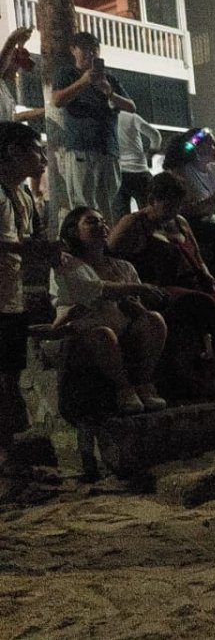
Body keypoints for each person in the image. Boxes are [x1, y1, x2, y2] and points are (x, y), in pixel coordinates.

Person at [108, 173, 215, 395]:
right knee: (203, 303)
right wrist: (133, 292)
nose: (174, 210)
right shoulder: (133, 224)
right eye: (169, 204)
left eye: (178, 204)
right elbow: (110, 258)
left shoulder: (180, 222)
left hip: (192, 283)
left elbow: (198, 259)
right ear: (152, 200)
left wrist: (212, 281)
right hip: (159, 288)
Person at [51, 207, 168, 414]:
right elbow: (94, 289)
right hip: (86, 336)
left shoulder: (123, 267)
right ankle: (124, 388)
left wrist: (135, 306)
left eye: (103, 221)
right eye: (91, 222)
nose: (101, 226)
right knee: (103, 335)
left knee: (154, 320)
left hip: (122, 331)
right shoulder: (66, 264)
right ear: (73, 231)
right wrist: (137, 288)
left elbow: (138, 308)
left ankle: (144, 383)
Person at [0, 123, 59, 477]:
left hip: (11, 299)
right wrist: (40, 250)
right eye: (35, 150)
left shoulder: (22, 196)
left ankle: (7, 456)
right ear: (11, 151)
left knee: (8, 380)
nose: (41, 158)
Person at [50, 31, 137, 230]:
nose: (91, 55)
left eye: (94, 51)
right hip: (82, 148)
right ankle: (83, 247)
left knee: (107, 206)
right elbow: (57, 100)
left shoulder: (109, 79)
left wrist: (109, 92)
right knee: (84, 205)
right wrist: (83, 82)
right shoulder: (67, 74)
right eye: (86, 50)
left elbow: (131, 107)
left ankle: (104, 248)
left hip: (109, 150)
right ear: (74, 50)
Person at [164, 128, 215, 287]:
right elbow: (179, 209)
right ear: (197, 147)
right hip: (193, 221)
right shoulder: (182, 171)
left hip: (213, 219)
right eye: (212, 144)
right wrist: (209, 201)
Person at [114, 110, 162, 219]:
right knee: (149, 212)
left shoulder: (102, 118)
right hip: (139, 170)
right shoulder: (130, 117)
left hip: (118, 173)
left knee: (121, 216)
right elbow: (155, 135)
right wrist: (151, 153)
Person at [0, 28, 42, 124]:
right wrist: (12, 40)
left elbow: (14, 117)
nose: (17, 69)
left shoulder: (4, 88)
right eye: (16, 64)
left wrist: (46, 110)